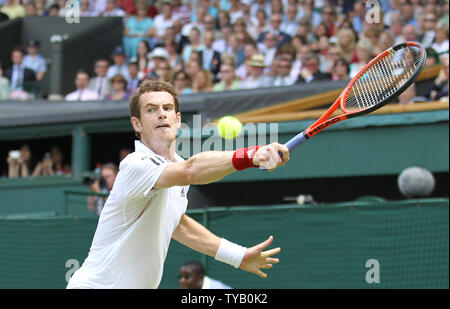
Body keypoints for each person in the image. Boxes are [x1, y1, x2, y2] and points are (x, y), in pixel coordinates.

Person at [66, 80, 288, 289]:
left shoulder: (177, 168)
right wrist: (251, 155)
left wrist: (238, 256)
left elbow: (178, 224)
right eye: (151, 110)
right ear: (137, 123)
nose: (161, 113)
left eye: (167, 108)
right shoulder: (136, 164)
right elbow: (191, 171)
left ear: (178, 119)